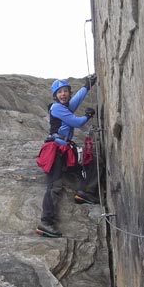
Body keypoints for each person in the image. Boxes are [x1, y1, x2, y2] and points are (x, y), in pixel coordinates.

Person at [35, 74, 99, 238]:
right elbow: (77, 122)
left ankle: (85, 193)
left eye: (65, 91)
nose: (63, 94)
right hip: (55, 151)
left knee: (89, 161)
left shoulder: (63, 107)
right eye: (59, 92)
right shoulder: (56, 108)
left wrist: (87, 86)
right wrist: (88, 116)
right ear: (55, 96)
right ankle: (46, 222)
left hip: (63, 151)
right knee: (54, 186)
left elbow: (75, 102)